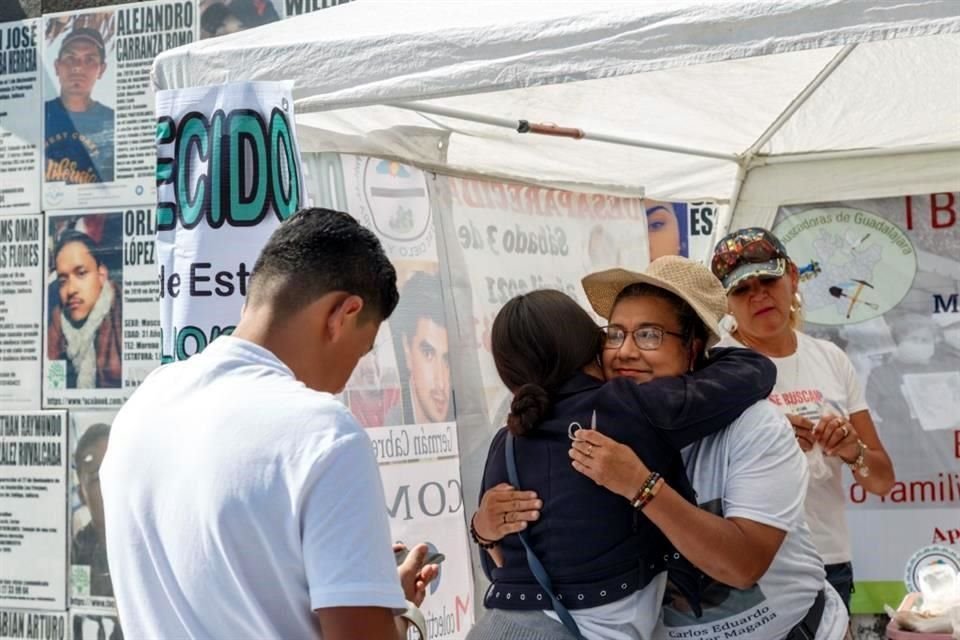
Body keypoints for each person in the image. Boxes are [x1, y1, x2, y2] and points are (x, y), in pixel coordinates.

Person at [100, 208, 437, 640]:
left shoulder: (142, 407)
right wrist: (401, 615)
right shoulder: (325, 434)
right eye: (363, 349)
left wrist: (368, 591)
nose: (351, 371)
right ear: (344, 313)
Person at [476, 256, 849, 640]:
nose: (625, 352)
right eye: (615, 334)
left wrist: (640, 486)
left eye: (650, 335)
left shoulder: (755, 426)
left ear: (694, 348)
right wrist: (486, 529)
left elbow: (742, 566)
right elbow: (528, 567)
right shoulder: (591, 430)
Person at [711, 227, 895, 610]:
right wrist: (767, 444)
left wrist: (850, 448)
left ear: (792, 276)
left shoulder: (830, 358)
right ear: (725, 302)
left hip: (828, 561)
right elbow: (698, 476)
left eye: (768, 279)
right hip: (755, 568)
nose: (759, 294)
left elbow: (881, 480)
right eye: (742, 289)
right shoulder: (713, 367)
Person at [866, 311, 952, 481]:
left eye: (925, 340)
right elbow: (865, 411)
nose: (919, 345)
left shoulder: (942, 371)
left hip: (941, 454)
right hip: (902, 454)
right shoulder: (881, 374)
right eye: (913, 339)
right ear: (898, 342)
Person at [47, 229, 122, 389]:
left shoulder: (122, 310)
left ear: (101, 274)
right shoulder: (57, 323)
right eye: (63, 281)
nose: (70, 289)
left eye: (81, 273)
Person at [45, 26, 114, 184]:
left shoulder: (114, 121)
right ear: (57, 66)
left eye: (89, 59)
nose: (77, 66)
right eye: (70, 57)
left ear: (101, 69)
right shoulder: (38, 115)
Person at [388, 270, 453, 424]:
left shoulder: (464, 431)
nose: (441, 383)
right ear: (406, 349)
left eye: (447, 360)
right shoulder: (391, 426)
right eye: (428, 354)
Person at [72, 423, 113, 598]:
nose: (110, 486)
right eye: (97, 478)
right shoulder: (77, 552)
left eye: (115, 472)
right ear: (82, 495)